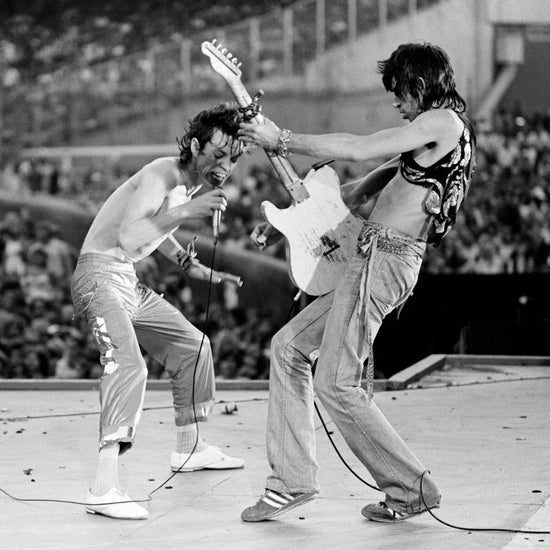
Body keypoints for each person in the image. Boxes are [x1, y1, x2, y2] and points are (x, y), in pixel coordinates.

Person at [237, 42, 476, 522]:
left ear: (420, 85)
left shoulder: (444, 123)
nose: (397, 103)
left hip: (385, 259)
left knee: (337, 382)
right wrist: (288, 221)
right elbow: (357, 189)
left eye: (400, 93)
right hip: (371, 256)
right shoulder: (428, 142)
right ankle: (292, 481)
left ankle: (412, 489)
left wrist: (280, 137)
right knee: (287, 348)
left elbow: (358, 147)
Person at [71, 103, 246, 520]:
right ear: (197, 146)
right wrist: (188, 213)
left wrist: (190, 264)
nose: (224, 167)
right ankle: (103, 487)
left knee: (194, 347)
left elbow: (155, 228)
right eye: (218, 156)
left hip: (126, 281)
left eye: (233, 160)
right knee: (129, 365)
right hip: (99, 276)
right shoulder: (162, 173)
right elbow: (131, 237)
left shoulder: (188, 185)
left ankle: (189, 447)